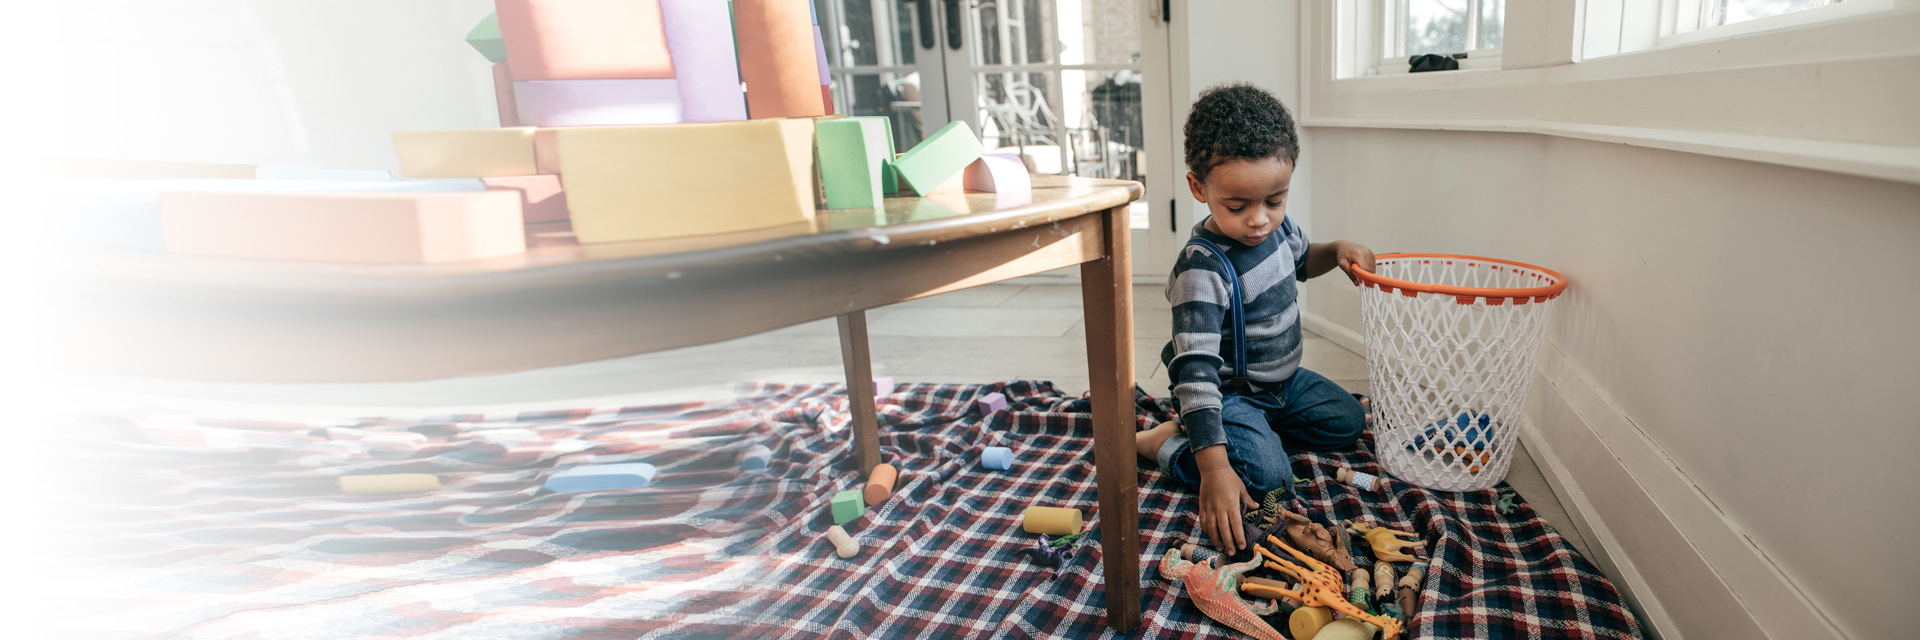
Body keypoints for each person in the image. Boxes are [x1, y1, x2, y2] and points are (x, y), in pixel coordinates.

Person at [1134, 83, 1376, 555]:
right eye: (1238, 206)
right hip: (1228, 393)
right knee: (1270, 484)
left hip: (1281, 384)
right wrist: (1214, 469)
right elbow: (1195, 373)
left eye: (1275, 200)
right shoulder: (1202, 270)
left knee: (1347, 422)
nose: (1261, 220)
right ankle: (1168, 444)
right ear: (1199, 188)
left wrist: (1340, 250)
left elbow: (1306, 260)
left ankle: (1253, 436)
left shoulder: (1278, 226)